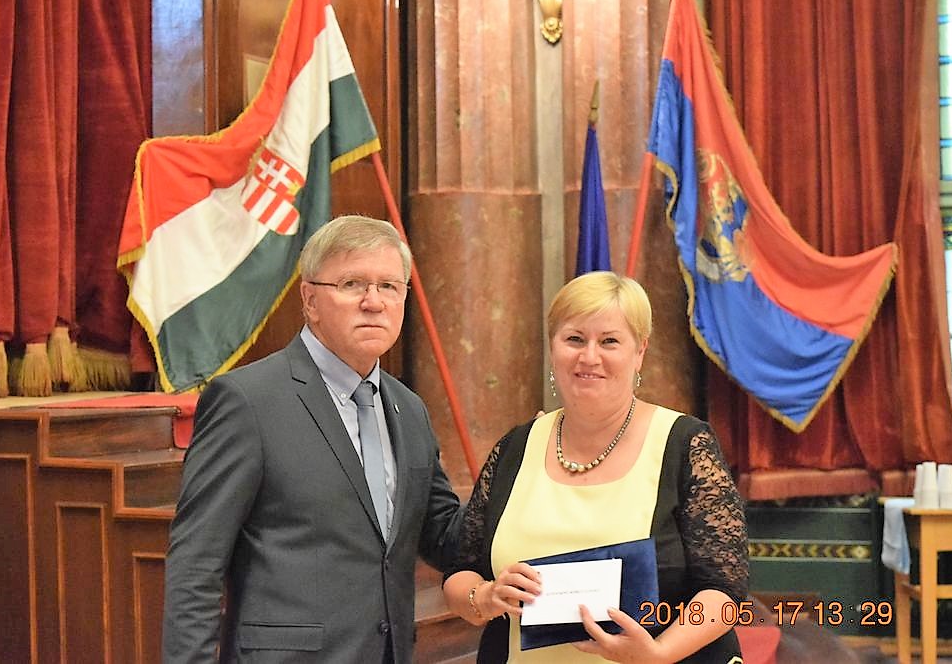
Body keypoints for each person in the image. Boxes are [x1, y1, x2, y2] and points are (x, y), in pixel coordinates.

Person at [163, 215, 461, 663]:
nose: (373, 302)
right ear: (310, 300)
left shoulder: (408, 408)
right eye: (352, 284)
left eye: (389, 286)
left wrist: (528, 459)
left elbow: (445, 535)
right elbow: (196, 564)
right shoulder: (248, 401)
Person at [443, 271, 748, 663]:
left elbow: (723, 588)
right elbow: (460, 572)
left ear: (639, 351)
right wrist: (485, 597)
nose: (589, 357)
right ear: (552, 347)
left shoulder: (684, 445)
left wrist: (659, 653)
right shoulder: (515, 447)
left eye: (609, 341)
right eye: (574, 339)